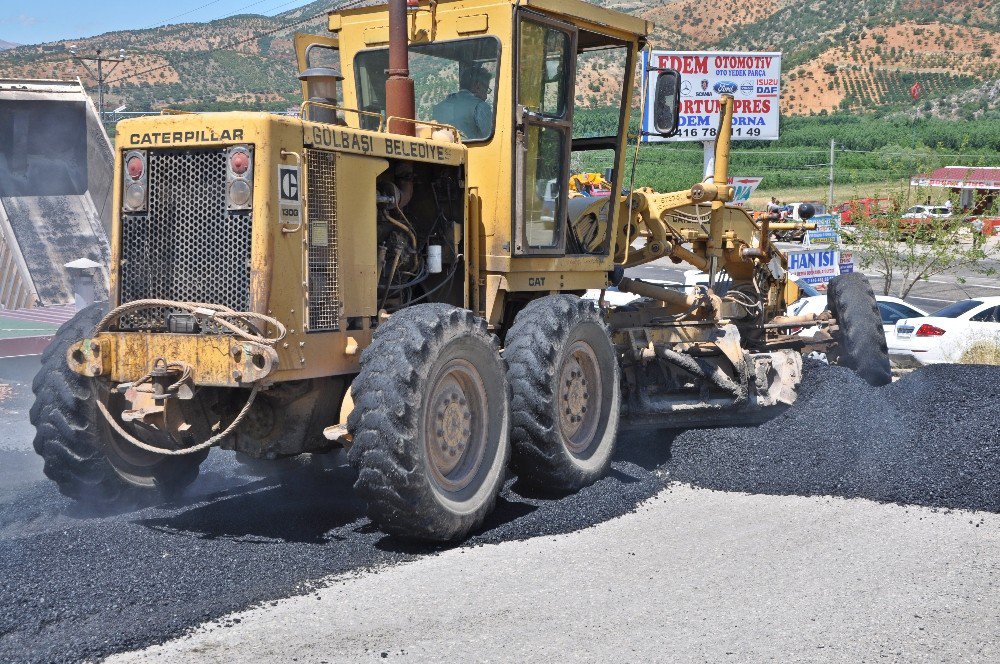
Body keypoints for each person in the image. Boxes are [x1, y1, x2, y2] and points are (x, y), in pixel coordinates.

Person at [432, 65, 493, 140]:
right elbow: (493, 138)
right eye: (486, 89)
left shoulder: (438, 108)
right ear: (478, 87)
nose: (486, 96)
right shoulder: (480, 106)